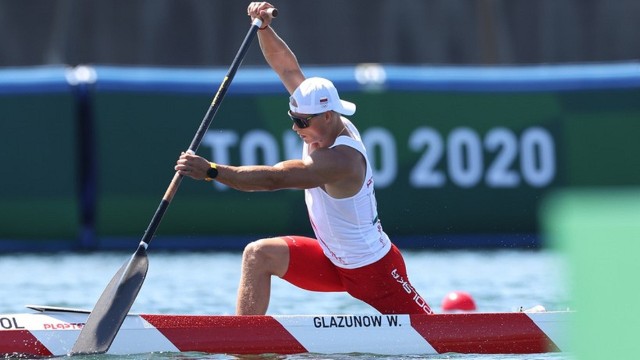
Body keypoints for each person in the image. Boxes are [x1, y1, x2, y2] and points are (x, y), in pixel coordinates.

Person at [175, 1, 433, 316]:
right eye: (292, 118)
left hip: (374, 270)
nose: (296, 128)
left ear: (327, 115)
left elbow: (274, 179)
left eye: (301, 123)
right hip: (332, 261)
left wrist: (212, 170)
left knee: (437, 342)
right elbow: (286, 66)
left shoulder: (340, 161)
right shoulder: (316, 114)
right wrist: (264, 28)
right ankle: (246, 346)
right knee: (258, 255)